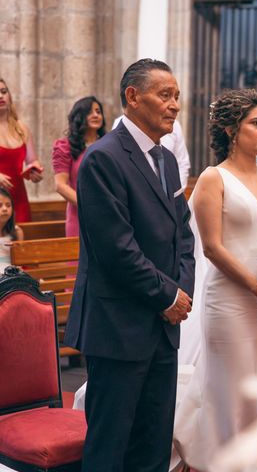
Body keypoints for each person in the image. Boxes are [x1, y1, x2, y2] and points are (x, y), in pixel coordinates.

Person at [63, 58, 195, 472]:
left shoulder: (167, 159)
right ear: (132, 97)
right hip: (118, 324)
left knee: (154, 444)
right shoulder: (103, 159)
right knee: (111, 446)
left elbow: (183, 236)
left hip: (163, 325)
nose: (174, 105)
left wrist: (181, 290)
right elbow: (116, 249)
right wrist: (167, 294)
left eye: (176, 96)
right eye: (165, 95)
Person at [173, 89, 257, 472]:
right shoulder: (213, 178)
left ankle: (256, 462)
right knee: (229, 390)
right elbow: (212, 248)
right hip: (229, 301)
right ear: (230, 130)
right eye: (255, 123)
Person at [52, 96, 106, 237]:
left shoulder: (110, 145)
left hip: (108, 215)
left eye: (98, 111)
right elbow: (60, 185)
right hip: (79, 215)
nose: (95, 115)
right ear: (79, 117)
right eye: (90, 112)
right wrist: (89, 205)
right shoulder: (65, 147)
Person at [0, 78, 43, 222]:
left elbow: (32, 160)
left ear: (9, 96)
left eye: (3, 92)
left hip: (18, 199)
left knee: (22, 242)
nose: (1, 96)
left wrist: (34, 171)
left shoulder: (21, 128)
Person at [112, 115, 190, 189]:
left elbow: (182, 162)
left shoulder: (174, 125)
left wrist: (175, 193)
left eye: (176, 100)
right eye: (164, 99)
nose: (176, 106)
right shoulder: (122, 124)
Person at [0, 187, 23, 266]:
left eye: (8, 205)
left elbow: (20, 263)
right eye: (0, 205)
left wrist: (15, 251)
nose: (5, 209)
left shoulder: (17, 231)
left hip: (12, 274)